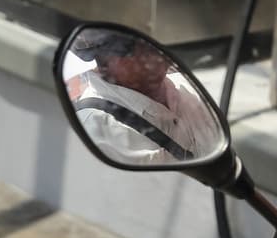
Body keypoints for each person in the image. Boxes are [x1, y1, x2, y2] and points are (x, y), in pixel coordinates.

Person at [69, 29, 225, 167]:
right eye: (134, 47)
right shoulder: (97, 131)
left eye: (158, 41)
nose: (156, 53)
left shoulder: (190, 88)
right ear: (104, 60)